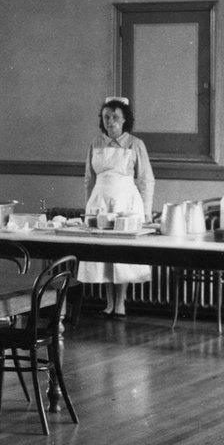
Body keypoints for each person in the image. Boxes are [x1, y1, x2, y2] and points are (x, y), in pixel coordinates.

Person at [77, 96, 155, 319]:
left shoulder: (135, 144)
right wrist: (88, 207)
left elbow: (146, 180)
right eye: (106, 117)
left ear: (124, 120)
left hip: (126, 202)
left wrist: (147, 212)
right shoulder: (96, 143)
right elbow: (88, 179)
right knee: (102, 253)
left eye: (115, 118)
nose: (110, 122)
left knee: (121, 253)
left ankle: (120, 303)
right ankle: (109, 303)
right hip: (100, 202)